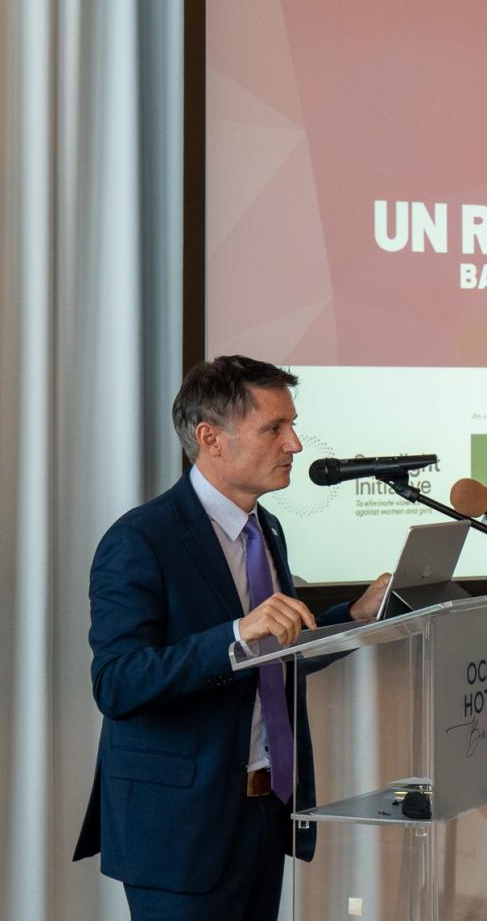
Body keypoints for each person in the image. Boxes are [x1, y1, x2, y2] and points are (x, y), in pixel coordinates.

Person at [73, 356, 389, 920]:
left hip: (264, 814)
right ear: (210, 438)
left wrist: (356, 617)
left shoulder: (267, 527)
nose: (294, 443)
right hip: (180, 831)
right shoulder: (140, 539)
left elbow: (272, 657)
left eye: (292, 425)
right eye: (275, 428)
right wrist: (235, 634)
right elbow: (117, 684)